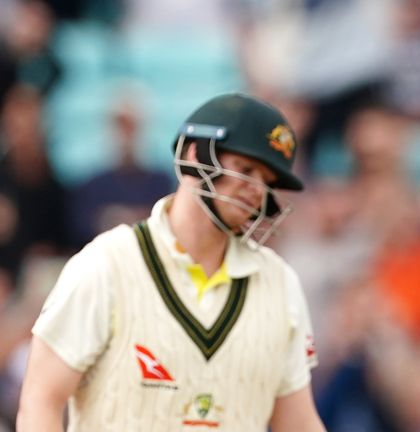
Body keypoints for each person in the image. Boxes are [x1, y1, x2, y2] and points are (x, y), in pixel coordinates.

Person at [16, 93, 327, 431]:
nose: (257, 191)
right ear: (195, 154)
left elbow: (298, 422)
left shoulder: (280, 283)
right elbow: (41, 401)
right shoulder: (107, 264)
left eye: (269, 182)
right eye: (247, 169)